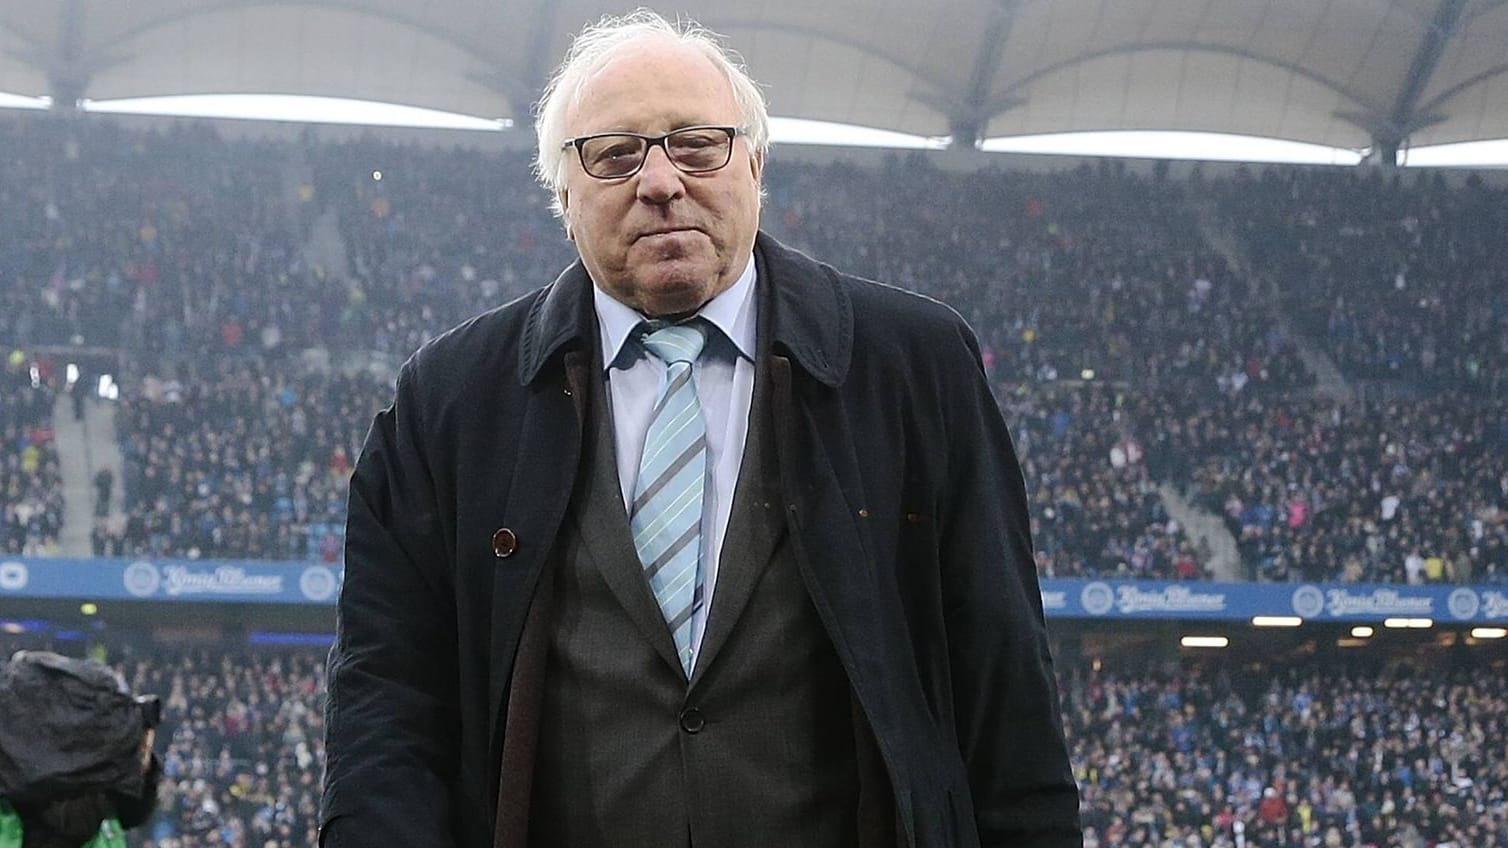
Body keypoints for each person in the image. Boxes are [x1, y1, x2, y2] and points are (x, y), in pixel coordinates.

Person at [321, 10, 1079, 848]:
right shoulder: (450, 402)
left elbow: (1004, 685)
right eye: (614, 154)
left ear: (755, 165)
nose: (660, 180)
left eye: (696, 144)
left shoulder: (913, 366)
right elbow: (386, 702)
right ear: (562, 196)